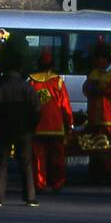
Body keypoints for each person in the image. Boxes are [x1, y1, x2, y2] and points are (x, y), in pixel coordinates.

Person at [0, 46, 41, 207]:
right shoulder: (28, 87)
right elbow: (36, 110)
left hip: (2, 129)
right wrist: (31, 127)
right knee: (26, 163)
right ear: (20, 68)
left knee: (0, 162)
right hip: (23, 130)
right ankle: (30, 197)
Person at [30, 49, 74, 193]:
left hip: (37, 125)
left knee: (38, 157)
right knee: (57, 156)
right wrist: (69, 123)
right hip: (56, 126)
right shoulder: (58, 81)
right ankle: (57, 182)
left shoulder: (31, 81)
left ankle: (39, 183)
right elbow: (65, 105)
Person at [83, 43, 111, 181]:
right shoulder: (93, 74)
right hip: (95, 118)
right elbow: (86, 90)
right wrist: (93, 88)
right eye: (96, 59)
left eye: (100, 58)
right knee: (95, 147)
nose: (97, 62)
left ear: (106, 59)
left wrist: (105, 90)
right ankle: (96, 174)